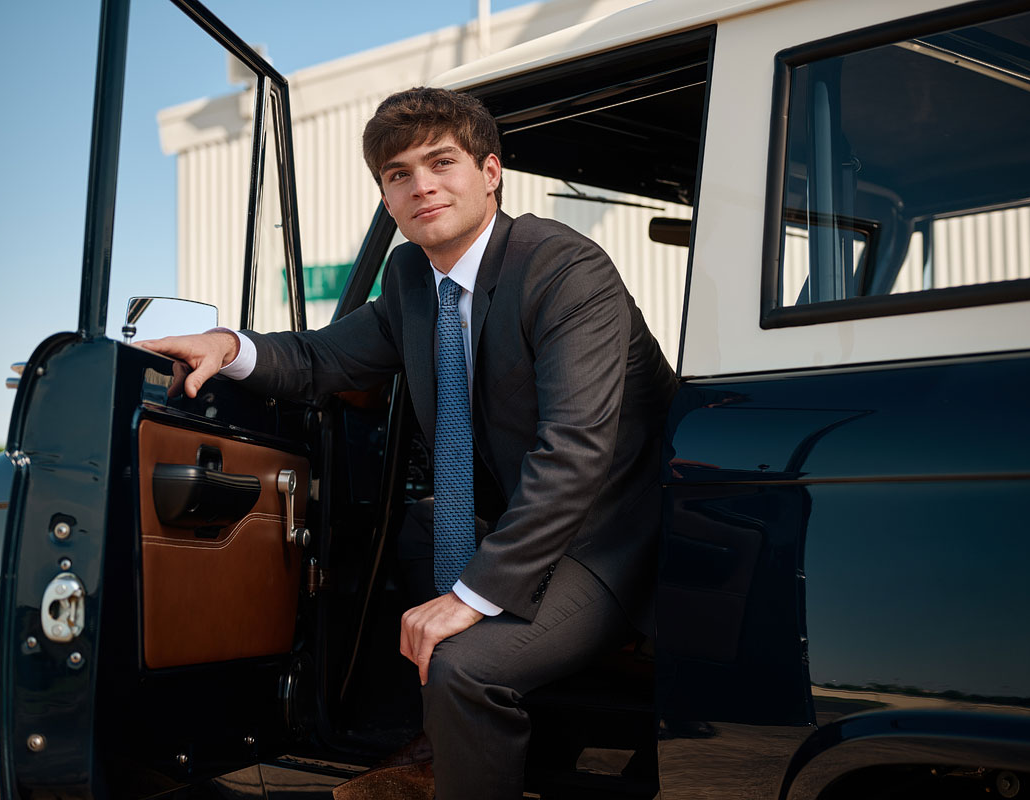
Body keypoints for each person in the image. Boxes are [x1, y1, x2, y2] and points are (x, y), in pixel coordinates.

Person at [140, 86, 677, 800]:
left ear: (490, 172)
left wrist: (474, 596)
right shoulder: (411, 280)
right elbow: (321, 359)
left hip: (616, 537)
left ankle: (456, 728)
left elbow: (574, 452)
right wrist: (228, 345)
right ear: (387, 199)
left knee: (466, 665)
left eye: (441, 162)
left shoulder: (563, 269)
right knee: (410, 532)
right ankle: (434, 735)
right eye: (399, 174)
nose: (421, 185)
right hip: (535, 522)